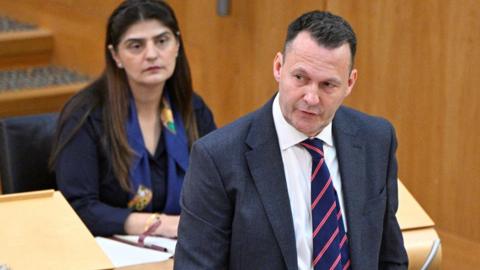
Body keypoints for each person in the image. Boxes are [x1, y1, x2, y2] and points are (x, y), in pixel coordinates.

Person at [174, 10, 408, 270]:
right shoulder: (217, 157)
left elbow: (390, 256)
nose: (311, 97)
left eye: (328, 85)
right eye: (300, 78)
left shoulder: (376, 139)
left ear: (350, 83)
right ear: (278, 67)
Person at [49, 0, 216, 237]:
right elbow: (78, 208)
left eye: (162, 41)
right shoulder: (85, 115)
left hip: (180, 249)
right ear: (115, 55)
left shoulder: (192, 108)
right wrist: (163, 225)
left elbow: (219, 187)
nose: (151, 55)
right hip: (109, 251)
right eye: (135, 46)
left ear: (177, 44)